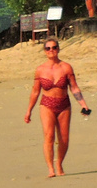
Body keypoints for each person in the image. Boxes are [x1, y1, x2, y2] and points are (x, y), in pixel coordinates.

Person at [23, 38, 90, 177]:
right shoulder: (40, 70)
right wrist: (29, 110)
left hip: (64, 105)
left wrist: (83, 104)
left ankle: (59, 164)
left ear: (58, 49)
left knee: (64, 139)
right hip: (46, 105)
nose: (51, 50)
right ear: (44, 51)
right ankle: (50, 169)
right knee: (49, 136)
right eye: (48, 48)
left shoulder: (66, 67)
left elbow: (74, 87)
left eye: (54, 47)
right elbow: (35, 91)